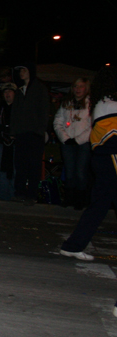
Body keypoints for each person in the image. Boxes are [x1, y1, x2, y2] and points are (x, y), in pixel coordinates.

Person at [59, 67, 117, 261]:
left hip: (105, 159)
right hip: (110, 160)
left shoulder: (104, 102)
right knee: (98, 206)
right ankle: (73, 245)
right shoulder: (109, 105)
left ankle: (73, 245)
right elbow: (111, 138)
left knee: (98, 206)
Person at [10, 63, 50, 203]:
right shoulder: (20, 90)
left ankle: (32, 194)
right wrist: (14, 131)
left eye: (24, 70)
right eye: (20, 70)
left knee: (34, 165)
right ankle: (19, 192)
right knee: (20, 164)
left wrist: (40, 131)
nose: (21, 72)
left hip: (34, 133)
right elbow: (15, 112)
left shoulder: (39, 88)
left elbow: (44, 110)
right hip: (21, 133)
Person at [53, 77, 91, 210]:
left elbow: (92, 126)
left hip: (83, 143)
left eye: (81, 86)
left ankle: (80, 200)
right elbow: (57, 121)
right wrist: (65, 138)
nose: (78, 89)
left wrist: (78, 140)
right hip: (67, 142)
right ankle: (69, 198)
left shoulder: (90, 104)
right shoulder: (66, 103)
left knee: (81, 172)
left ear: (86, 88)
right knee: (69, 172)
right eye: (76, 86)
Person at [0, 82, 18, 201]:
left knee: (15, 170)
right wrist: (3, 133)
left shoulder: (20, 108)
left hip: (15, 144)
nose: (8, 94)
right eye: (5, 92)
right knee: (2, 171)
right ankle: (2, 196)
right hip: (1, 143)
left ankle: (13, 195)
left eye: (10, 92)